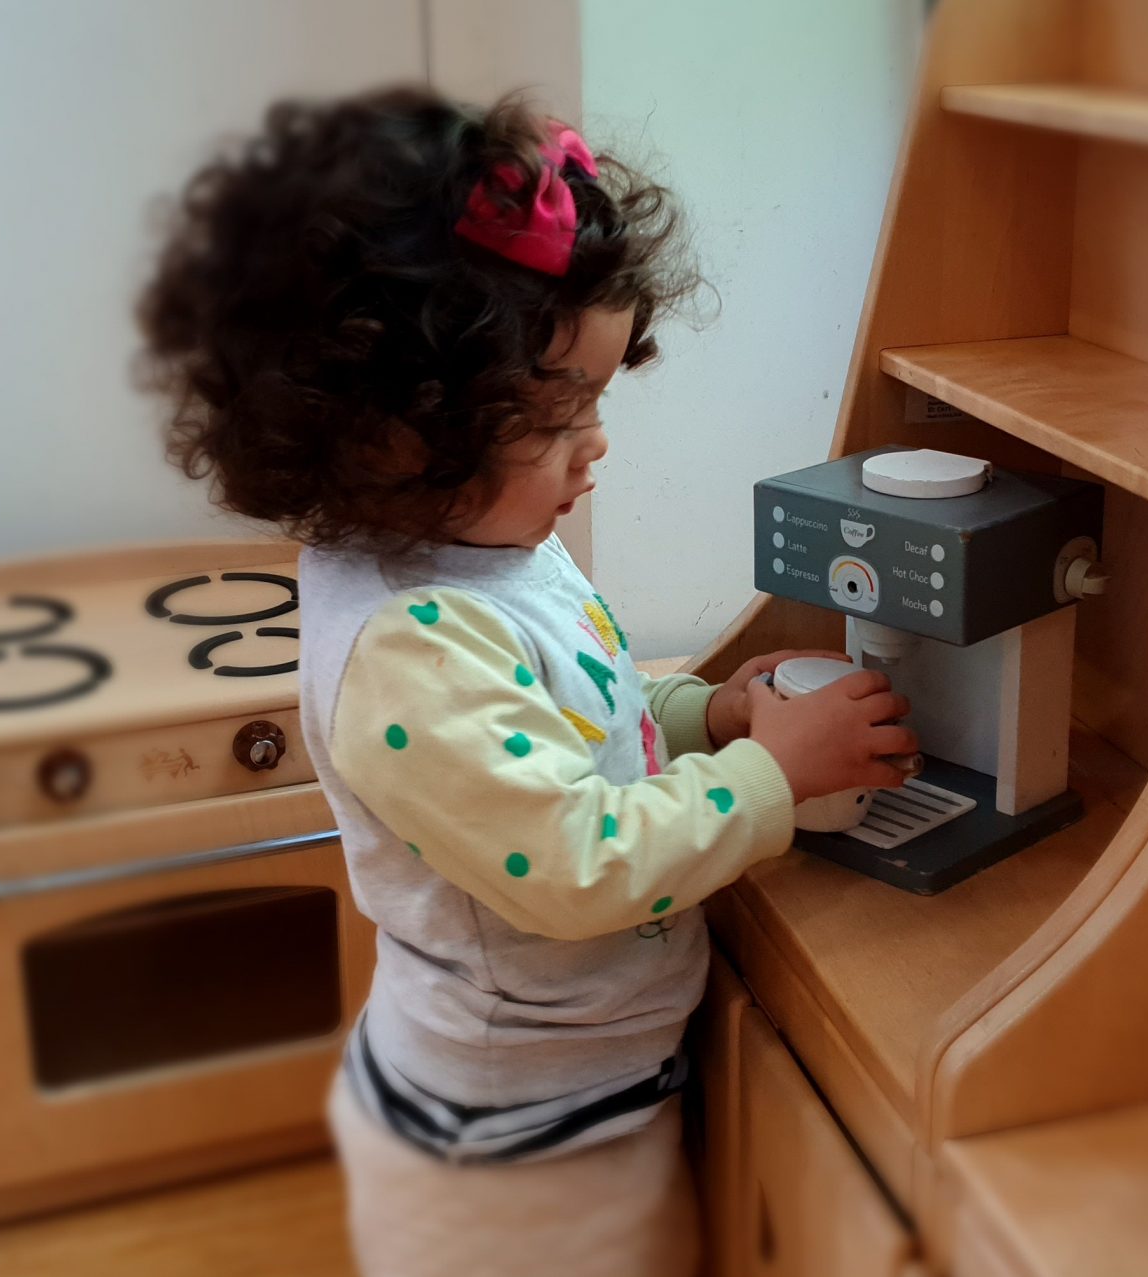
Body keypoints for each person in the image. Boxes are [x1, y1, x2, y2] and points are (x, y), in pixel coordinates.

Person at [136, 88, 914, 1277]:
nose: (596, 445)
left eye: (597, 400)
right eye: (558, 418)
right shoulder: (408, 647)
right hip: (510, 1156)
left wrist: (712, 716)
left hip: (569, 1099)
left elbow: (578, 716)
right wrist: (771, 774)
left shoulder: (492, 549)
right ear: (396, 440)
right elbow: (571, 854)